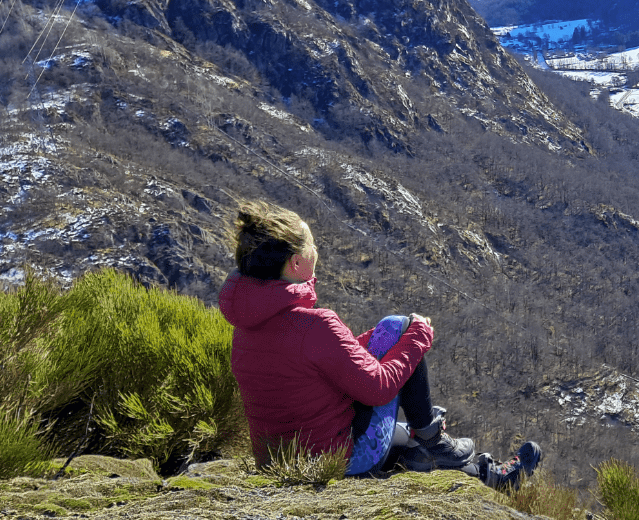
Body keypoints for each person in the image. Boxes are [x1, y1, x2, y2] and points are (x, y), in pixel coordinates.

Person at [218, 199, 541, 484]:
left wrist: (377, 341)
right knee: (401, 327)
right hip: (339, 462)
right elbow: (379, 388)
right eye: (311, 246)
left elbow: (318, 363)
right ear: (296, 263)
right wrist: (417, 336)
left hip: (281, 462)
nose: (317, 251)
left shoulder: (246, 329)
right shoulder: (315, 325)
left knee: (408, 442)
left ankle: (482, 472)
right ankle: (434, 439)